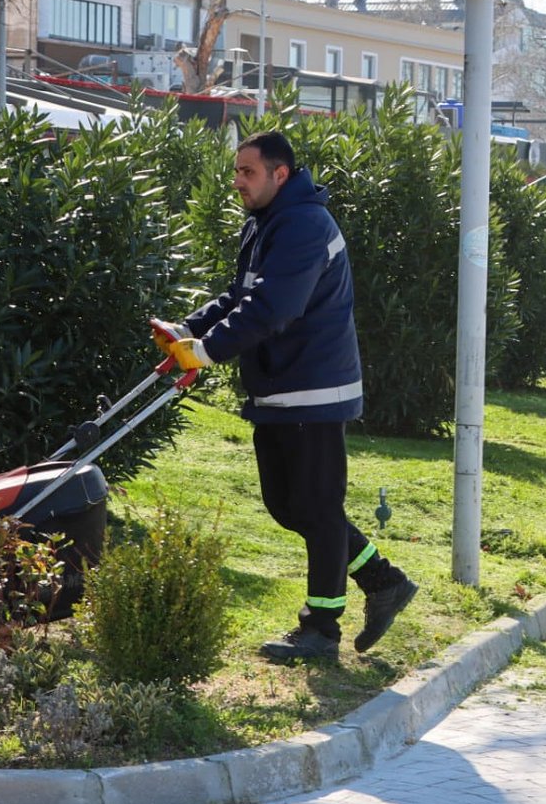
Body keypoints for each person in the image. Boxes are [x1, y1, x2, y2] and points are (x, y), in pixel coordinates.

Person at [157, 130, 417, 663]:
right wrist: (188, 329)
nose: (237, 182)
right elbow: (241, 296)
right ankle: (382, 579)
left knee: (318, 509)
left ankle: (321, 629)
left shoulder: (302, 225)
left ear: (280, 174)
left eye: (247, 172)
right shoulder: (267, 223)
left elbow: (275, 308)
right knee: (287, 505)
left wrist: (205, 353)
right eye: (236, 171)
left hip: (313, 389)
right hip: (281, 386)